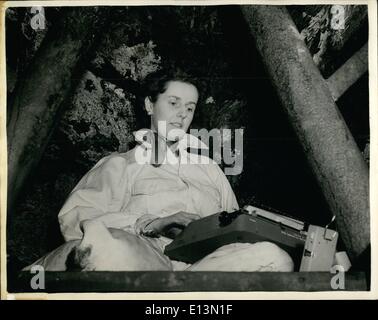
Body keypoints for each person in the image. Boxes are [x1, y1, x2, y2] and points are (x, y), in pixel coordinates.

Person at [25, 69, 294, 272]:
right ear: (149, 105)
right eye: (174, 103)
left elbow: (233, 226)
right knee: (106, 247)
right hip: (147, 256)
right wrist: (153, 223)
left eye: (190, 108)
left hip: (201, 267)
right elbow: (74, 220)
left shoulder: (210, 170)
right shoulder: (122, 164)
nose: (182, 115)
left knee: (274, 258)